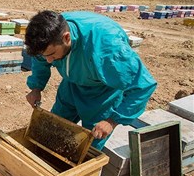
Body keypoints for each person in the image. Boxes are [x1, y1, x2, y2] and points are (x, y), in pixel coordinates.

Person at [24, 10, 157, 150]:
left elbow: (143, 86)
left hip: (102, 95)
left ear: (66, 38)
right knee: (54, 129)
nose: (49, 60)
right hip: (71, 86)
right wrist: (36, 88)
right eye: (45, 55)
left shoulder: (108, 47)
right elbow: (40, 59)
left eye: (51, 55)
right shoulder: (49, 34)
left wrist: (111, 121)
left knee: (90, 145)